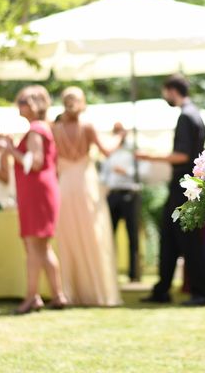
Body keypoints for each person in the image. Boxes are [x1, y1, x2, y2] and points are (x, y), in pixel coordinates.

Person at [137, 74, 205, 306]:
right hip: (183, 186)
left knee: (187, 241)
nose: (163, 96)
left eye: (164, 91)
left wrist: (149, 155)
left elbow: (183, 156)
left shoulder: (186, 117)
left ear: (172, 90)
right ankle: (162, 289)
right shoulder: (194, 114)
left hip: (183, 187)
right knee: (169, 238)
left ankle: (199, 292)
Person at [52, 86, 122, 306]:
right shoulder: (88, 127)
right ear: (82, 104)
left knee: (68, 239)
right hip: (85, 186)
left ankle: (70, 292)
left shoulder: (54, 129)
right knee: (93, 238)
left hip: (64, 186)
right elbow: (108, 150)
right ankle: (97, 292)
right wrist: (119, 135)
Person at [1, 85, 67, 313]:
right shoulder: (41, 128)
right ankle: (57, 295)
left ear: (32, 106)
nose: (18, 106)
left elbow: (36, 162)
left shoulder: (36, 129)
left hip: (36, 192)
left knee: (33, 245)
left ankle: (32, 297)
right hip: (42, 190)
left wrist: (10, 150)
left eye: (21, 102)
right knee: (42, 246)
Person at [100, 122, 141, 282]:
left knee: (133, 235)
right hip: (113, 194)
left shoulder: (133, 149)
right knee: (110, 234)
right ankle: (109, 272)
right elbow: (104, 174)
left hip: (130, 193)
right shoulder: (109, 151)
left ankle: (134, 273)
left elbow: (142, 171)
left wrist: (125, 172)